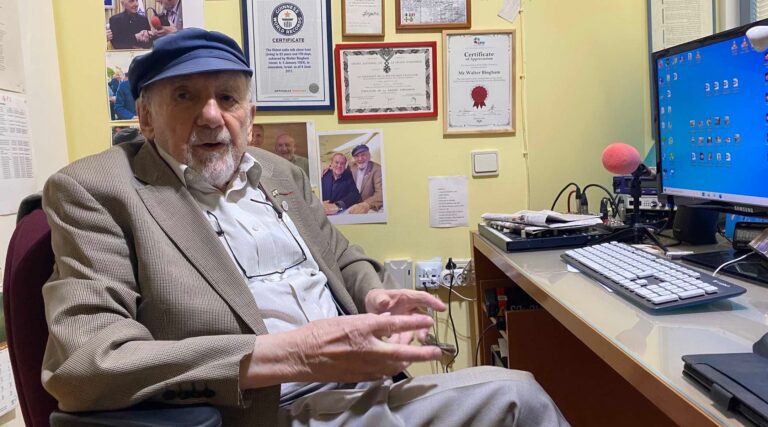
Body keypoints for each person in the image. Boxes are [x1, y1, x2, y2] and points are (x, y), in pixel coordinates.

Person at [41, 29, 567, 426]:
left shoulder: (278, 171)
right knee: (519, 396)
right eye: (183, 96)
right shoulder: (97, 190)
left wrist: (375, 295)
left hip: (360, 385)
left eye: (226, 98)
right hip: (268, 409)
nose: (209, 116)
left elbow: (342, 255)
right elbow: (87, 365)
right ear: (146, 117)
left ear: (249, 113)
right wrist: (294, 353)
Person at [347, 144, 383, 214]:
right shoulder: (351, 167)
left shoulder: (378, 169)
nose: (360, 159)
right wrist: (329, 169)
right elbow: (339, 169)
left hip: (369, 208)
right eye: (357, 156)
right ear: (354, 158)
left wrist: (366, 204)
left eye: (363, 155)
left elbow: (381, 193)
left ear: (369, 156)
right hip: (352, 206)